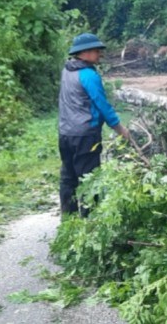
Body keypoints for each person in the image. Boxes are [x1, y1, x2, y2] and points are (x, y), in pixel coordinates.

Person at [58, 33, 130, 216]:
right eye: (97, 51)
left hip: (65, 134)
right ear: (86, 52)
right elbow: (102, 104)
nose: (100, 54)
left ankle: (69, 217)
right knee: (89, 179)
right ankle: (90, 221)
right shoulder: (89, 75)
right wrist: (119, 128)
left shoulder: (67, 70)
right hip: (85, 135)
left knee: (68, 176)